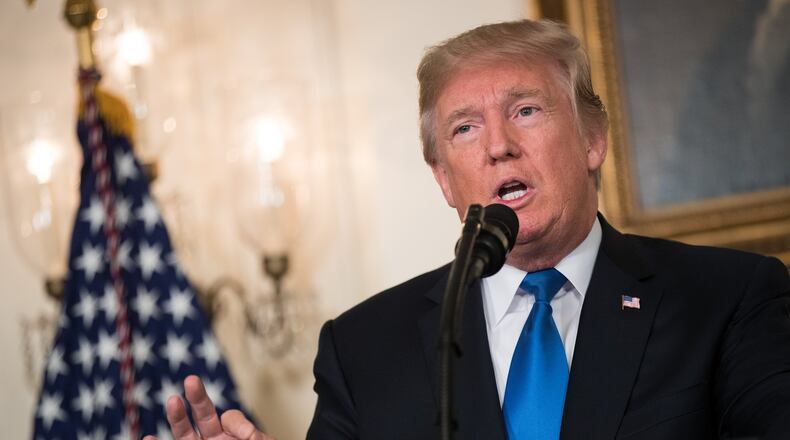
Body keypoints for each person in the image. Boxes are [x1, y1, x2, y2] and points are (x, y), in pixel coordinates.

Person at [147, 19, 790, 440]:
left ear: (593, 138)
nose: (499, 147)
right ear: (445, 181)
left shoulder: (730, 299)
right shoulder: (365, 349)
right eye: (465, 128)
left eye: (526, 110)